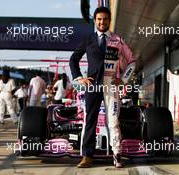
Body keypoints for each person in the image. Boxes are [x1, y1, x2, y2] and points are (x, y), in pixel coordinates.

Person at [70, 7, 135, 168]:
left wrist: (123, 79)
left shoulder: (118, 39)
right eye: (99, 19)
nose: (102, 22)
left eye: (105, 19)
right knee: (89, 120)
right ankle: (87, 157)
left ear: (109, 20)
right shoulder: (89, 39)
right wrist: (79, 78)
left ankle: (117, 155)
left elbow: (132, 61)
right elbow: (73, 59)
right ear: (95, 20)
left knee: (113, 121)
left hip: (111, 85)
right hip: (92, 85)